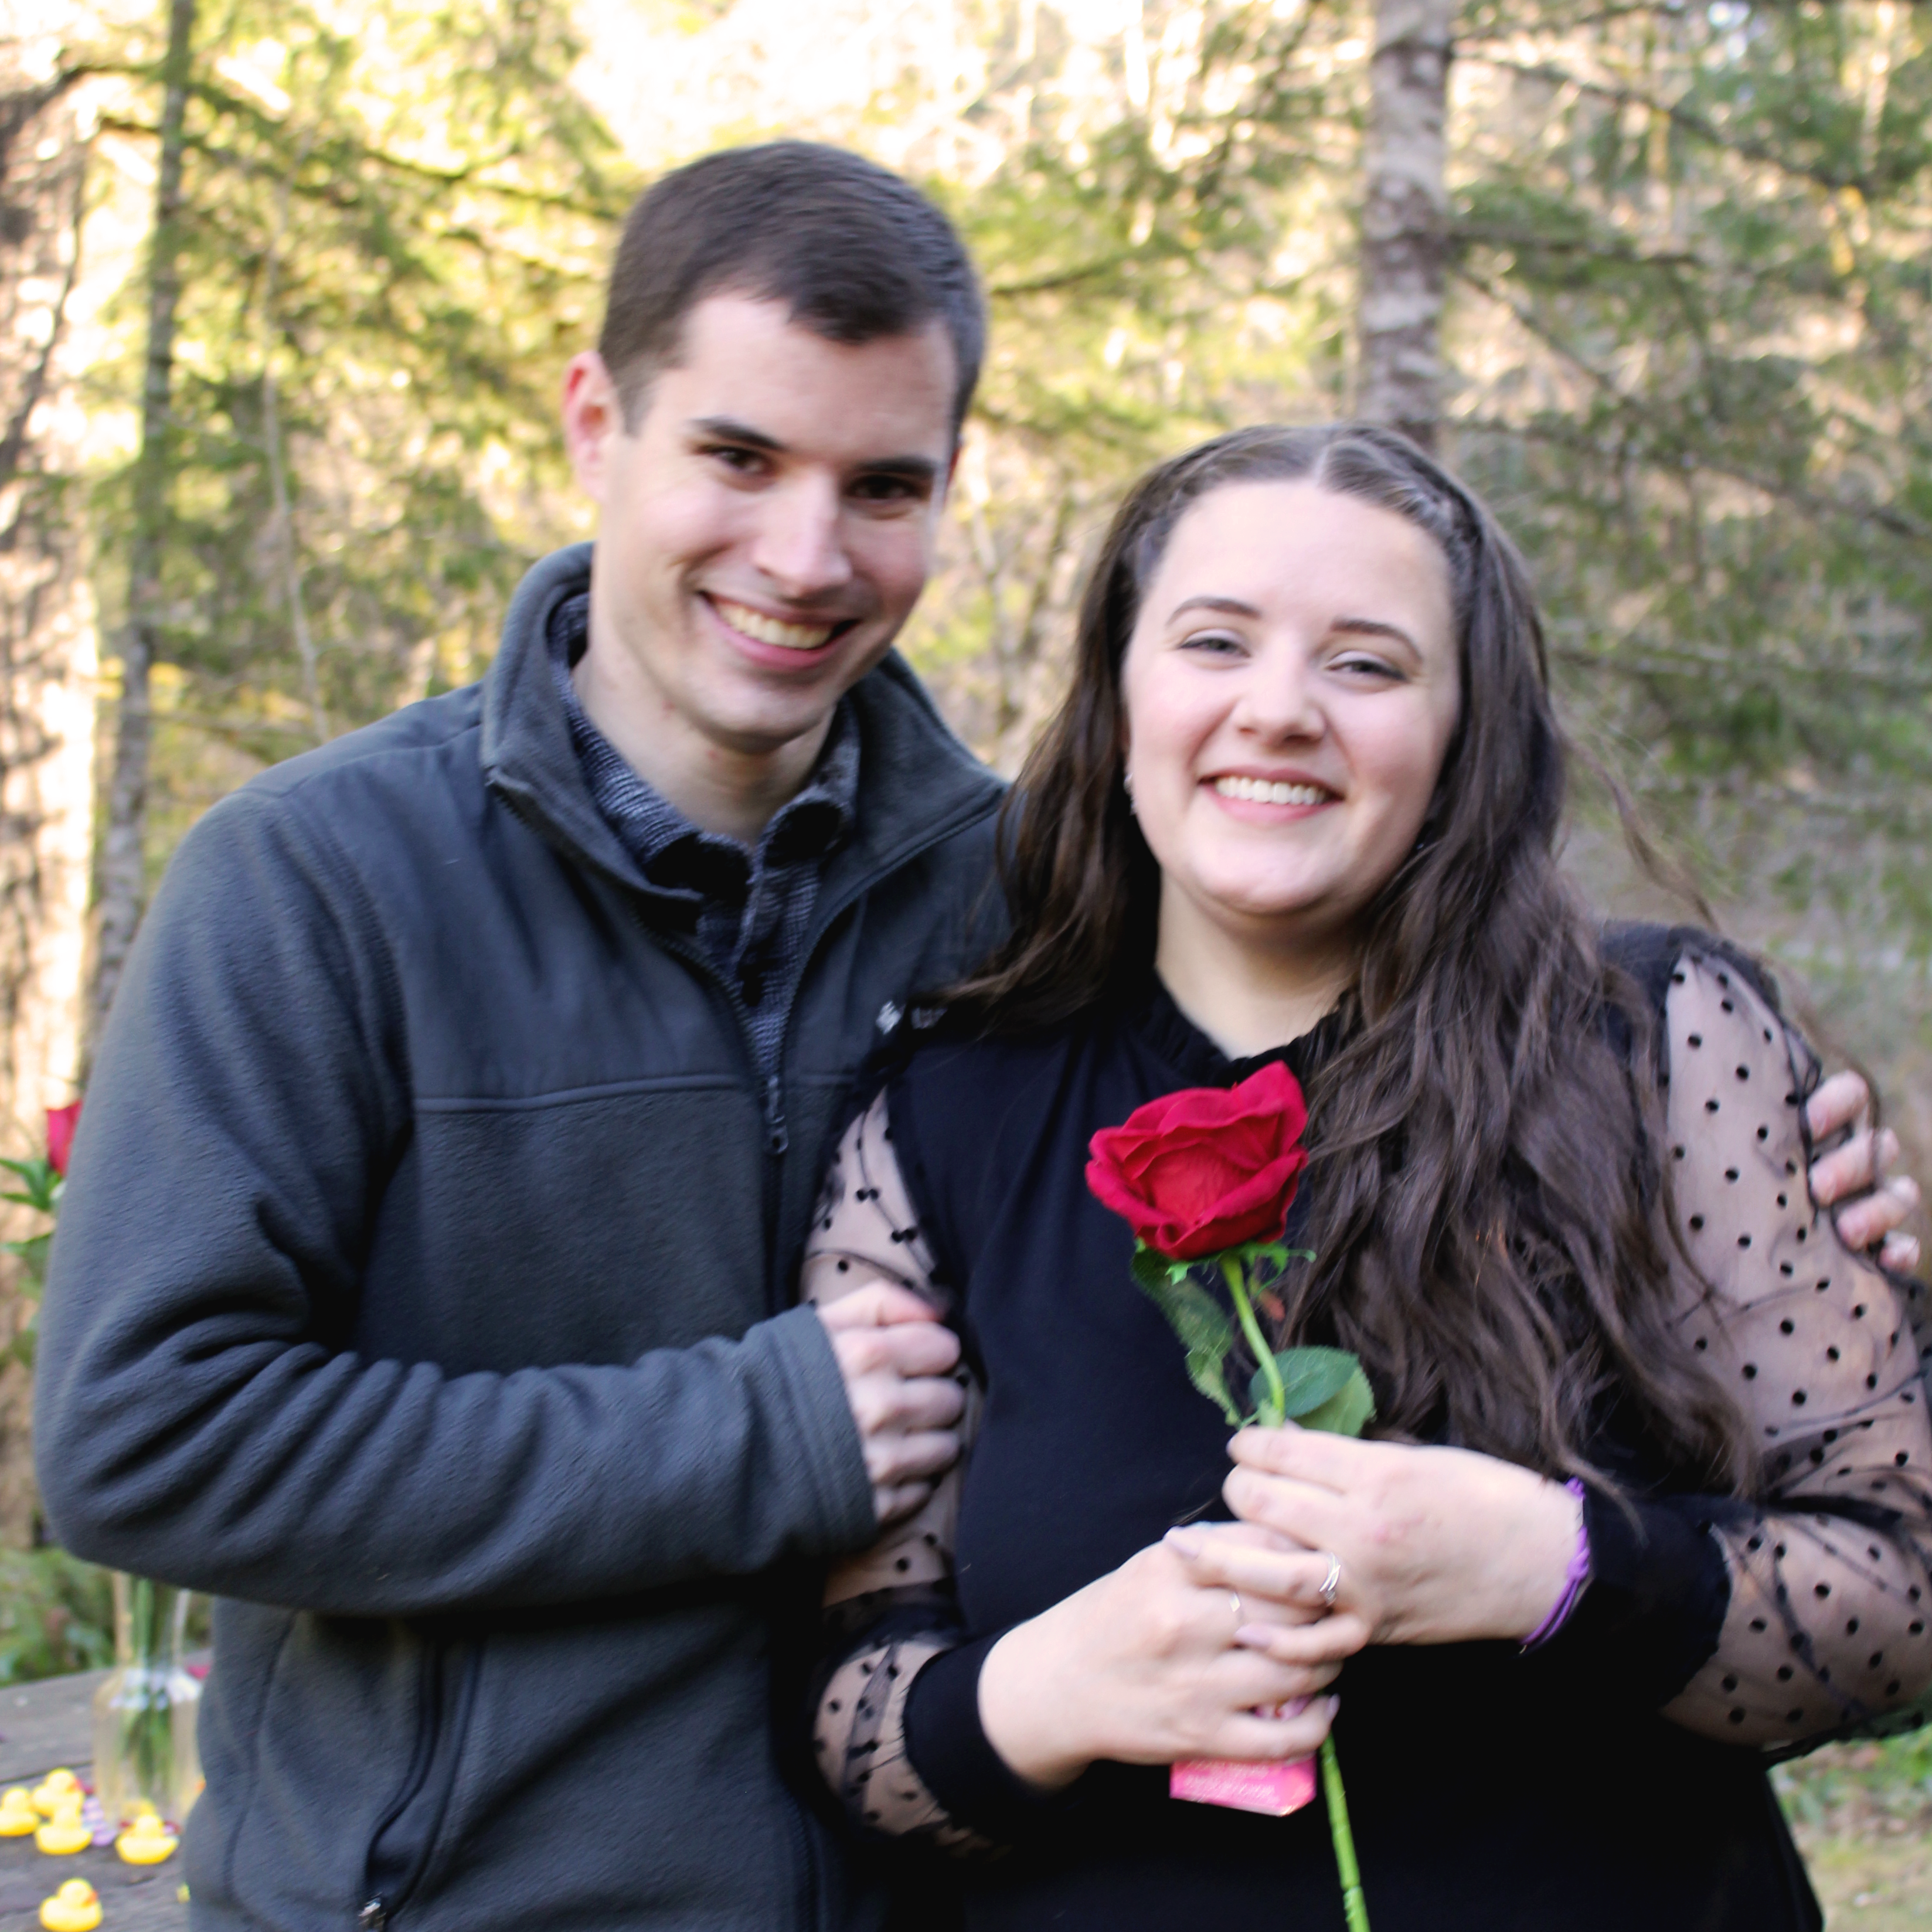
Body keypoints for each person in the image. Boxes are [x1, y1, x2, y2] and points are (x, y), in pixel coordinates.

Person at [33, 143, 999, 1932]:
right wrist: (747, 1436)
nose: (805, 556)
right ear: (593, 423)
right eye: (736, 457)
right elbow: (140, 1437)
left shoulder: (1022, 899)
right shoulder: (316, 880)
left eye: (882, 486)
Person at [802, 423, 1932, 1931]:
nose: (1277, 711)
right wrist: (1048, 1691)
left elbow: (1902, 1590)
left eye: (1367, 664)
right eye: (1215, 641)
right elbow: (848, 1713)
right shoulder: (943, 1120)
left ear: (1468, 730)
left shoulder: (1660, 1048)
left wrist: (1556, 1568)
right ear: (1120, 689)